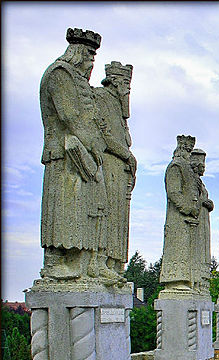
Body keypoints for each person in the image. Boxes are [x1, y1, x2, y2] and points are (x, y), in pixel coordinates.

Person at [39, 27, 112, 282]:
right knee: (66, 209)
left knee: (90, 210)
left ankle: (88, 261)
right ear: (78, 51)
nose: (92, 61)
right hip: (66, 154)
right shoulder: (60, 73)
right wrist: (93, 144)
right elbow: (70, 116)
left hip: (86, 155)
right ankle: (57, 261)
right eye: (90, 55)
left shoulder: (79, 79)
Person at [94, 60, 135, 279]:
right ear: (115, 81)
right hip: (107, 166)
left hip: (119, 172)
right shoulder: (100, 97)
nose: (128, 91)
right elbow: (103, 135)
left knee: (118, 218)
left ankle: (114, 263)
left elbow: (125, 139)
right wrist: (126, 154)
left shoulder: (119, 110)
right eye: (126, 85)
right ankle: (100, 260)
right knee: (105, 213)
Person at [159, 135, 199, 292]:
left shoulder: (186, 169)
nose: (188, 154)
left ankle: (184, 280)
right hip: (178, 218)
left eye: (190, 151)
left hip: (188, 219)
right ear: (180, 149)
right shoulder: (175, 166)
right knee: (177, 249)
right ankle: (174, 281)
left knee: (186, 250)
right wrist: (188, 208)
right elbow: (174, 192)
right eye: (187, 150)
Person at [190, 148, 214, 293]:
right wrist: (203, 202)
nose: (204, 169)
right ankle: (195, 281)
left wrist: (208, 203)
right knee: (196, 251)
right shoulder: (192, 181)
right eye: (202, 166)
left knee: (203, 251)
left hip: (203, 222)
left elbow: (204, 200)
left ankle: (202, 283)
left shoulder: (201, 184)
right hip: (195, 220)